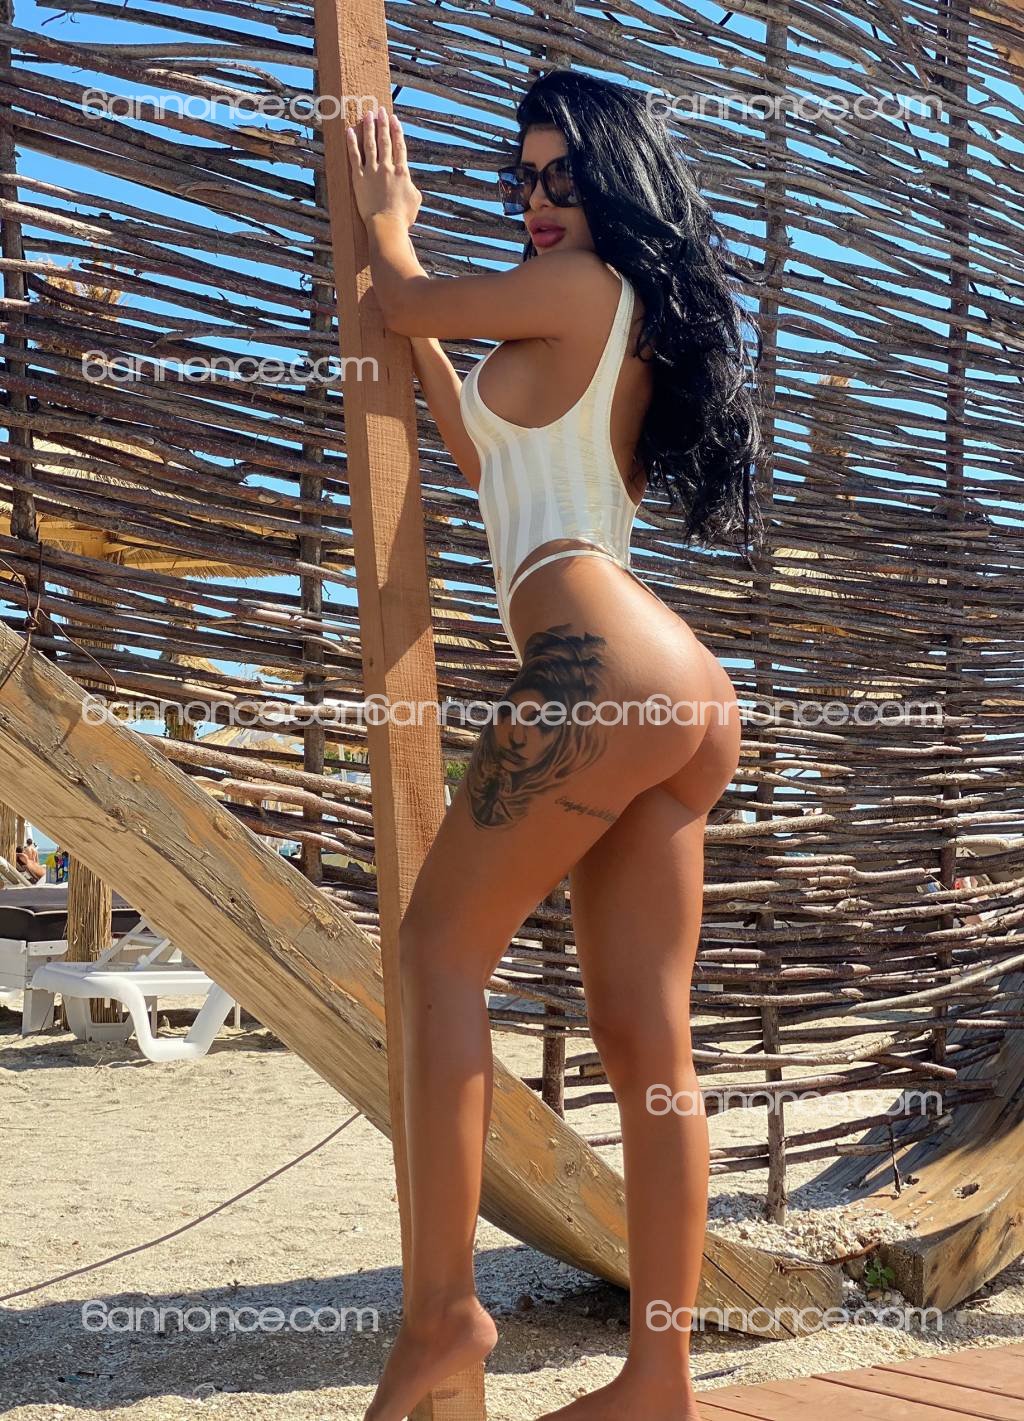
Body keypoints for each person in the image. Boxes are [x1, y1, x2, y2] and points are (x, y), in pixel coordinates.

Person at [345, 68, 762, 1421]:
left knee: (435, 952)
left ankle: (441, 1314)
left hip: (603, 663)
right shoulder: (606, 323)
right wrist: (422, 344)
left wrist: (391, 216)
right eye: (523, 179)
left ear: (614, 185)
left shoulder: (580, 286)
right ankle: (659, 1378)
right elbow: (484, 460)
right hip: (677, 694)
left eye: (563, 178)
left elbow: (401, 297)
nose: (537, 200)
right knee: (649, 1045)